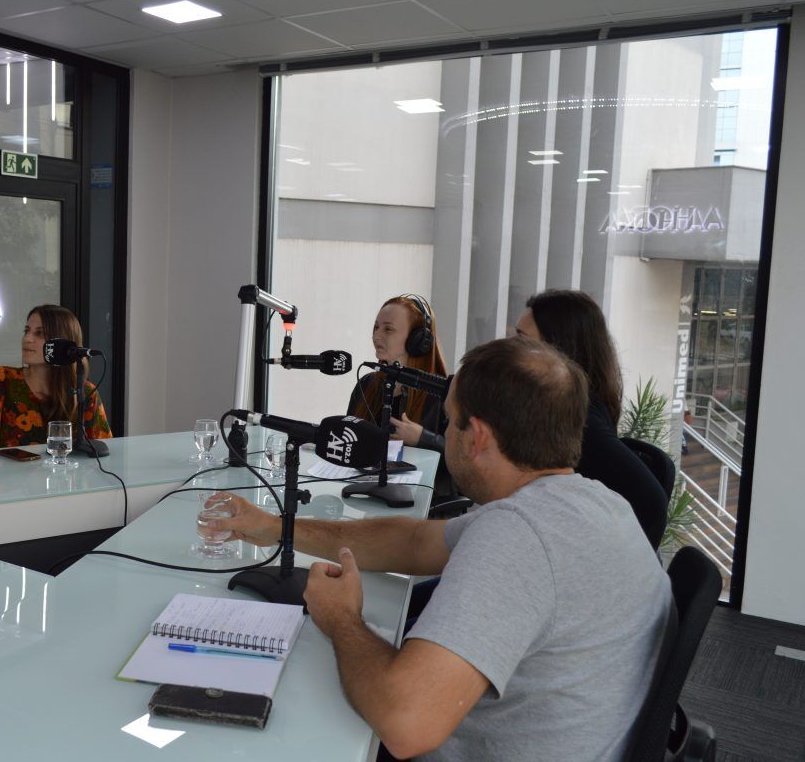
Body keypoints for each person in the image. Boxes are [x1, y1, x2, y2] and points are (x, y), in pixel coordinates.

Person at [209, 336, 671, 761]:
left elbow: (404, 723)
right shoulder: (595, 502)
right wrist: (276, 527)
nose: (444, 432)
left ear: (478, 437)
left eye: (450, 421)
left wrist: (341, 620)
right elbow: (413, 541)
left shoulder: (521, 537)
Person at [516, 289, 669, 550]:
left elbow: (650, 501)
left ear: (558, 351)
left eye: (522, 341)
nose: (511, 349)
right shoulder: (570, 407)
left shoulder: (582, 423)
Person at [0, 304, 112, 450]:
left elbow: (102, 455)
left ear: (63, 344)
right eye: (27, 331)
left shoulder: (85, 392)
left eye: (39, 333)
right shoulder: (2, 380)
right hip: (8, 476)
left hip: (66, 476)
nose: (27, 339)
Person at [348, 294, 448, 452]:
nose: (376, 335)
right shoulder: (366, 385)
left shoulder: (444, 395)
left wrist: (424, 439)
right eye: (376, 327)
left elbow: (464, 459)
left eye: (388, 329)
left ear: (418, 340)